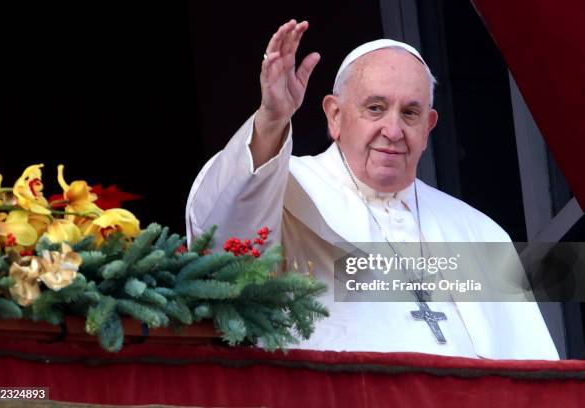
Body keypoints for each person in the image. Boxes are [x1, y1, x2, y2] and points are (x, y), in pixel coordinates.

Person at [186, 20, 559, 359]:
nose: (393, 131)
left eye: (410, 113)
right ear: (335, 115)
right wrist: (271, 119)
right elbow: (223, 242)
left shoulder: (477, 230)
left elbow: (531, 372)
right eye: (376, 108)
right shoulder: (285, 189)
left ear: (429, 127)